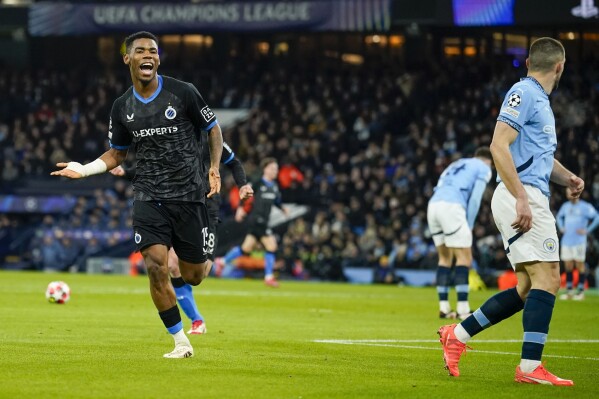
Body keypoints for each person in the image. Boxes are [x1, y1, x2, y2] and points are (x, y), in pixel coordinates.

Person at [51, 31, 224, 359]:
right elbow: (117, 154)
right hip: (148, 196)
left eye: (154, 51)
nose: (149, 55)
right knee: (155, 265)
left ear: (158, 59)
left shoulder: (183, 93)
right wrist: (85, 169)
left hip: (189, 196)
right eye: (141, 50)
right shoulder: (122, 107)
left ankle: (205, 259)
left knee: (194, 275)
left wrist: (214, 166)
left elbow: (212, 128)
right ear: (127, 59)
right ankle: (180, 342)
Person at [438, 37, 583, 386]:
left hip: (530, 192)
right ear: (559, 66)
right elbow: (497, 145)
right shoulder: (525, 92)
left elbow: (539, 159)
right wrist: (520, 197)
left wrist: (568, 178)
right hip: (523, 195)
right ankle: (530, 368)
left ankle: (458, 334)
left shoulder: (540, 102)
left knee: (526, 287)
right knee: (548, 278)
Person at [111, 140, 253, 334]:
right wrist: (126, 172)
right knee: (172, 265)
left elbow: (234, 162)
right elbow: (156, 169)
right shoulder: (175, 137)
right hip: (181, 207)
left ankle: (217, 264)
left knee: (200, 273)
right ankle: (197, 320)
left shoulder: (210, 138)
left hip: (207, 209)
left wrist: (242, 185)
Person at [427, 147, 493, 320]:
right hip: (452, 207)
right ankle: (463, 309)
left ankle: (444, 307)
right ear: (488, 161)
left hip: (433, 205)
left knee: (444, 258)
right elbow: (476, 198)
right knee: (464, 258)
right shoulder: (483, 168)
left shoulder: (458, 163)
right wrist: (469, 224)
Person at [218, 157, 288, 287]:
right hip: (256, 220)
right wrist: (240, 208)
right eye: (272, 168)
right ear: (265, 169)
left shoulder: (274, 187)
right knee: (271, 246)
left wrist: (282, 208)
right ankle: (268, 277)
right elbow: (245, 193)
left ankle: (222, 261)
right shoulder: (257, 182)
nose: (275, 171)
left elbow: (277, 201)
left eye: (276, 169)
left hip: (263, 221)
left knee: (246, 248)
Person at [556, 188, 599, 300]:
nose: (569, 194)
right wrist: (561, 227)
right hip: (566, 240)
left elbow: (597, 217)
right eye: (567, 192)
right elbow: (559, 217)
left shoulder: (585, 206)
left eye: (570, 191)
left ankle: (580, 292)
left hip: (579, 240)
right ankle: (569, 291)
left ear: (576, 193)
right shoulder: (565, 206)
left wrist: (588, 230)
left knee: (580, 265)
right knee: (568, 266)